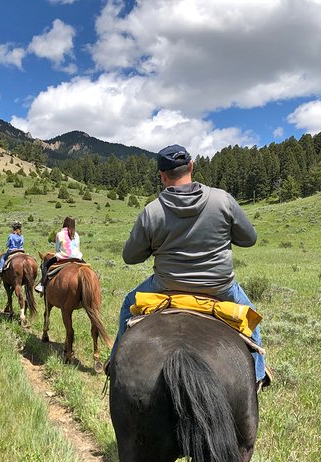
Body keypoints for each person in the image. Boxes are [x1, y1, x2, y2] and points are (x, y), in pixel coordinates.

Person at [111, 144, 267, 386]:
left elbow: (130, 257)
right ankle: (258, 375)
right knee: (250, 316)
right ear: (192, 166)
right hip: (220, 289)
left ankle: (116, 366)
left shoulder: (152, 211)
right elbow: (250, 238)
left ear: (162, 176)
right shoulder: (223, 200)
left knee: (127, 304)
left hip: (166, 287)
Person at [35, 216, 83, 293]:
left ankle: (42, 285)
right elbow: (78, 248)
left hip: (63, 257)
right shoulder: (76, 235)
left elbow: (57, 249)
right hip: (77, 258)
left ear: (65, 223)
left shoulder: (59, 234)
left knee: (46, 265)